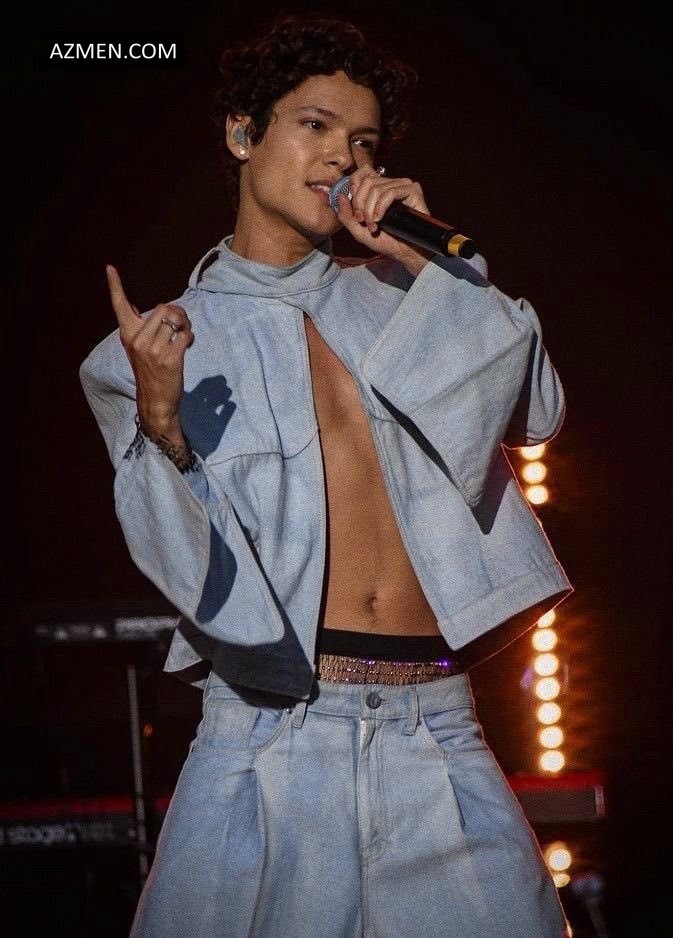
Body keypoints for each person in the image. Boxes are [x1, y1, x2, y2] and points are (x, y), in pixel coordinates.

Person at [80, 12, 574, 937]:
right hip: (269, 733)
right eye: (314, 125)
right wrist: (162, 424)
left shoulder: (405, 293)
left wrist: (432, 263)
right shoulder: (154, 348)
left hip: (437, 729)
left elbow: (537, 409)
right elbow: (178, 561)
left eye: (364, 142)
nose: (343, 157)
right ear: (243, 133)